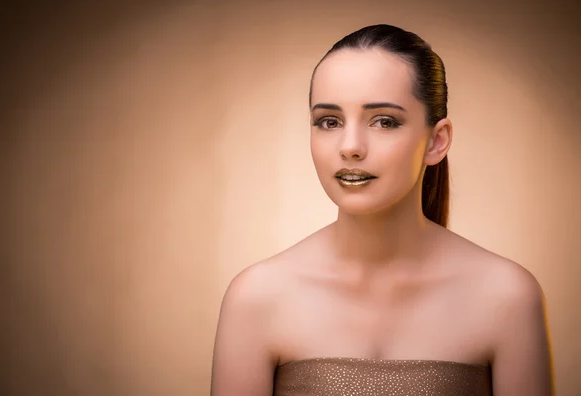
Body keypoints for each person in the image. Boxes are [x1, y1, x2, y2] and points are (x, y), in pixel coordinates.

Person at [210, 24, 554, 396]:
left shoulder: (507, 296)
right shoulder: (257, 297)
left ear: (437, 141)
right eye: (329, 121)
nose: (351, 147)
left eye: (384, 121)